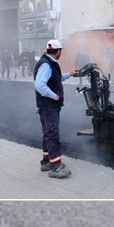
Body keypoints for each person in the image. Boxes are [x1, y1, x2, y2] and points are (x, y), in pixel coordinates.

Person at [33, 39, 79, 178]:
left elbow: (55, 79)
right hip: (49, 106)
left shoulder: (47, 62)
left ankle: (47, 161)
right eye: (61, 51)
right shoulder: (47, 65)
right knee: (52, 134)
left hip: (46, 106)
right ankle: (56, 167)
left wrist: (69, 74)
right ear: (58, 51)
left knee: (48, 133)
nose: (61, 53)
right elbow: (39, 85)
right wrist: (54, 96)